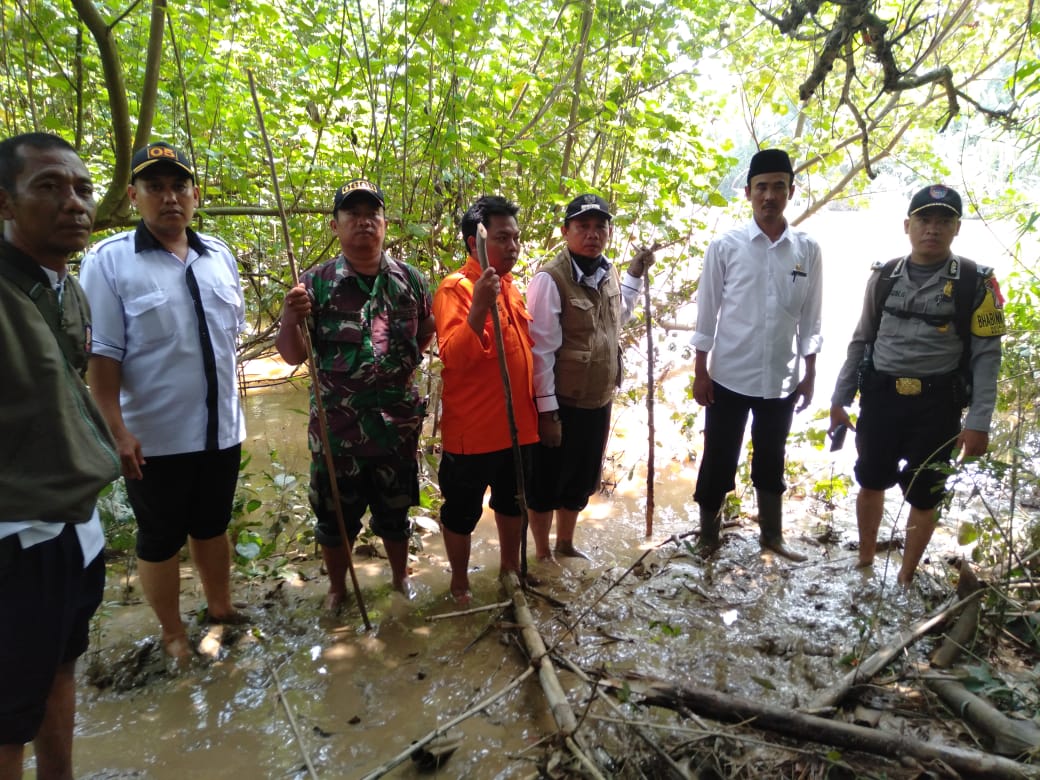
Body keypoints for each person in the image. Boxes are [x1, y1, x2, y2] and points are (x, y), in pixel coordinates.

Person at [79, 141, 248, 664]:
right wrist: (118, 431)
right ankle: (174, 634)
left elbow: (228, 343)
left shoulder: (217, 256)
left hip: (221, 430)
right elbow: (102, 363)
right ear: (134, 196)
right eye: (155, 187)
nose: (169, 197)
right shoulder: (110, 263)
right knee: (159, 538)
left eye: (179, 186)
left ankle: (220, 610)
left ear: (195, 195)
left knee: (213, 525)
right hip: (155, 437)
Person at [0, 132, 120, 779]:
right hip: (16, 532)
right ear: (5, 203)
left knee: (60, 665)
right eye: (48, 186)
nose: (73, 202)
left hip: (76, 523)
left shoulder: (65, 288)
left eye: (81, 188)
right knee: (7, 709)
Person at [830, 185, 1005, 586]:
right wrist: (840, 399)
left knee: (926, 494)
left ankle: (906, 578)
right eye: (924, 220)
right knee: (870, 480)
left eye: (944, 221)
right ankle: (865, 563)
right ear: (907, 225)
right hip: (880, 399)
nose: (933, 229)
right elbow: (861, 340)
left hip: (938, 406)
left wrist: (979, 422)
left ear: (957, 228)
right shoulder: (884, 277)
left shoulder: (975, 283)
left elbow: (986, 358)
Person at [276, 179, 435, 609]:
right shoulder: (314, 284)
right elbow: (291, 355)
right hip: (338, 434)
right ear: (336, 225)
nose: (364, 222)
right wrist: (290, 319)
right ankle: (337, 590)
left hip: (394, 430)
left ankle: (401, 581)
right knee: (334, 522)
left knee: (396, 516)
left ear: (385, 224)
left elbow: (424, 334)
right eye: (353, 215)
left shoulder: (410, 280)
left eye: (372, 215)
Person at [691, 149, 823, 561]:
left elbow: (812, 316)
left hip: (780, 379)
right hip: (729, 375)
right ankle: (708, 537)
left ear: (791, 191)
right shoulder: (725, 246)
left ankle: (772, 537)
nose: (769, 195)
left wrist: (810, 371)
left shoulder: (807, 250)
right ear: (748, 192)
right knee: (718, 457)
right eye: (761, 187)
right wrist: (700, 370)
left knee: (772, 457)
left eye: (778, 187)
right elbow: (707, 312)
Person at [526, 194, 652, 561]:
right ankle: (542, 553)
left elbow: (619, 316)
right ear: (566, 231)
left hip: (597, 399)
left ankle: (565, 544)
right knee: (545, 483)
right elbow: (541, 352)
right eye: (583, 226)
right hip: (562, 402)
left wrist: (634, 276)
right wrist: (547, 414)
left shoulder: (608, 271)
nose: (593, 234)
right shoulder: (550, 280)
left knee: (580, 482)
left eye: (600, 227)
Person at [433, 196, 538, 602]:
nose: (512, 246)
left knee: (512, 506)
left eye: (515, 237)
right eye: (501, 238)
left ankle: (510, 571)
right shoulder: (455, 289)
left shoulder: (511, 288)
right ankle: (460, 583)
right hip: (472, 435)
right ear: (474, 242)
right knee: (461, 513)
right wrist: (478, 306)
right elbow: (454, 357)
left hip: (517, 431)